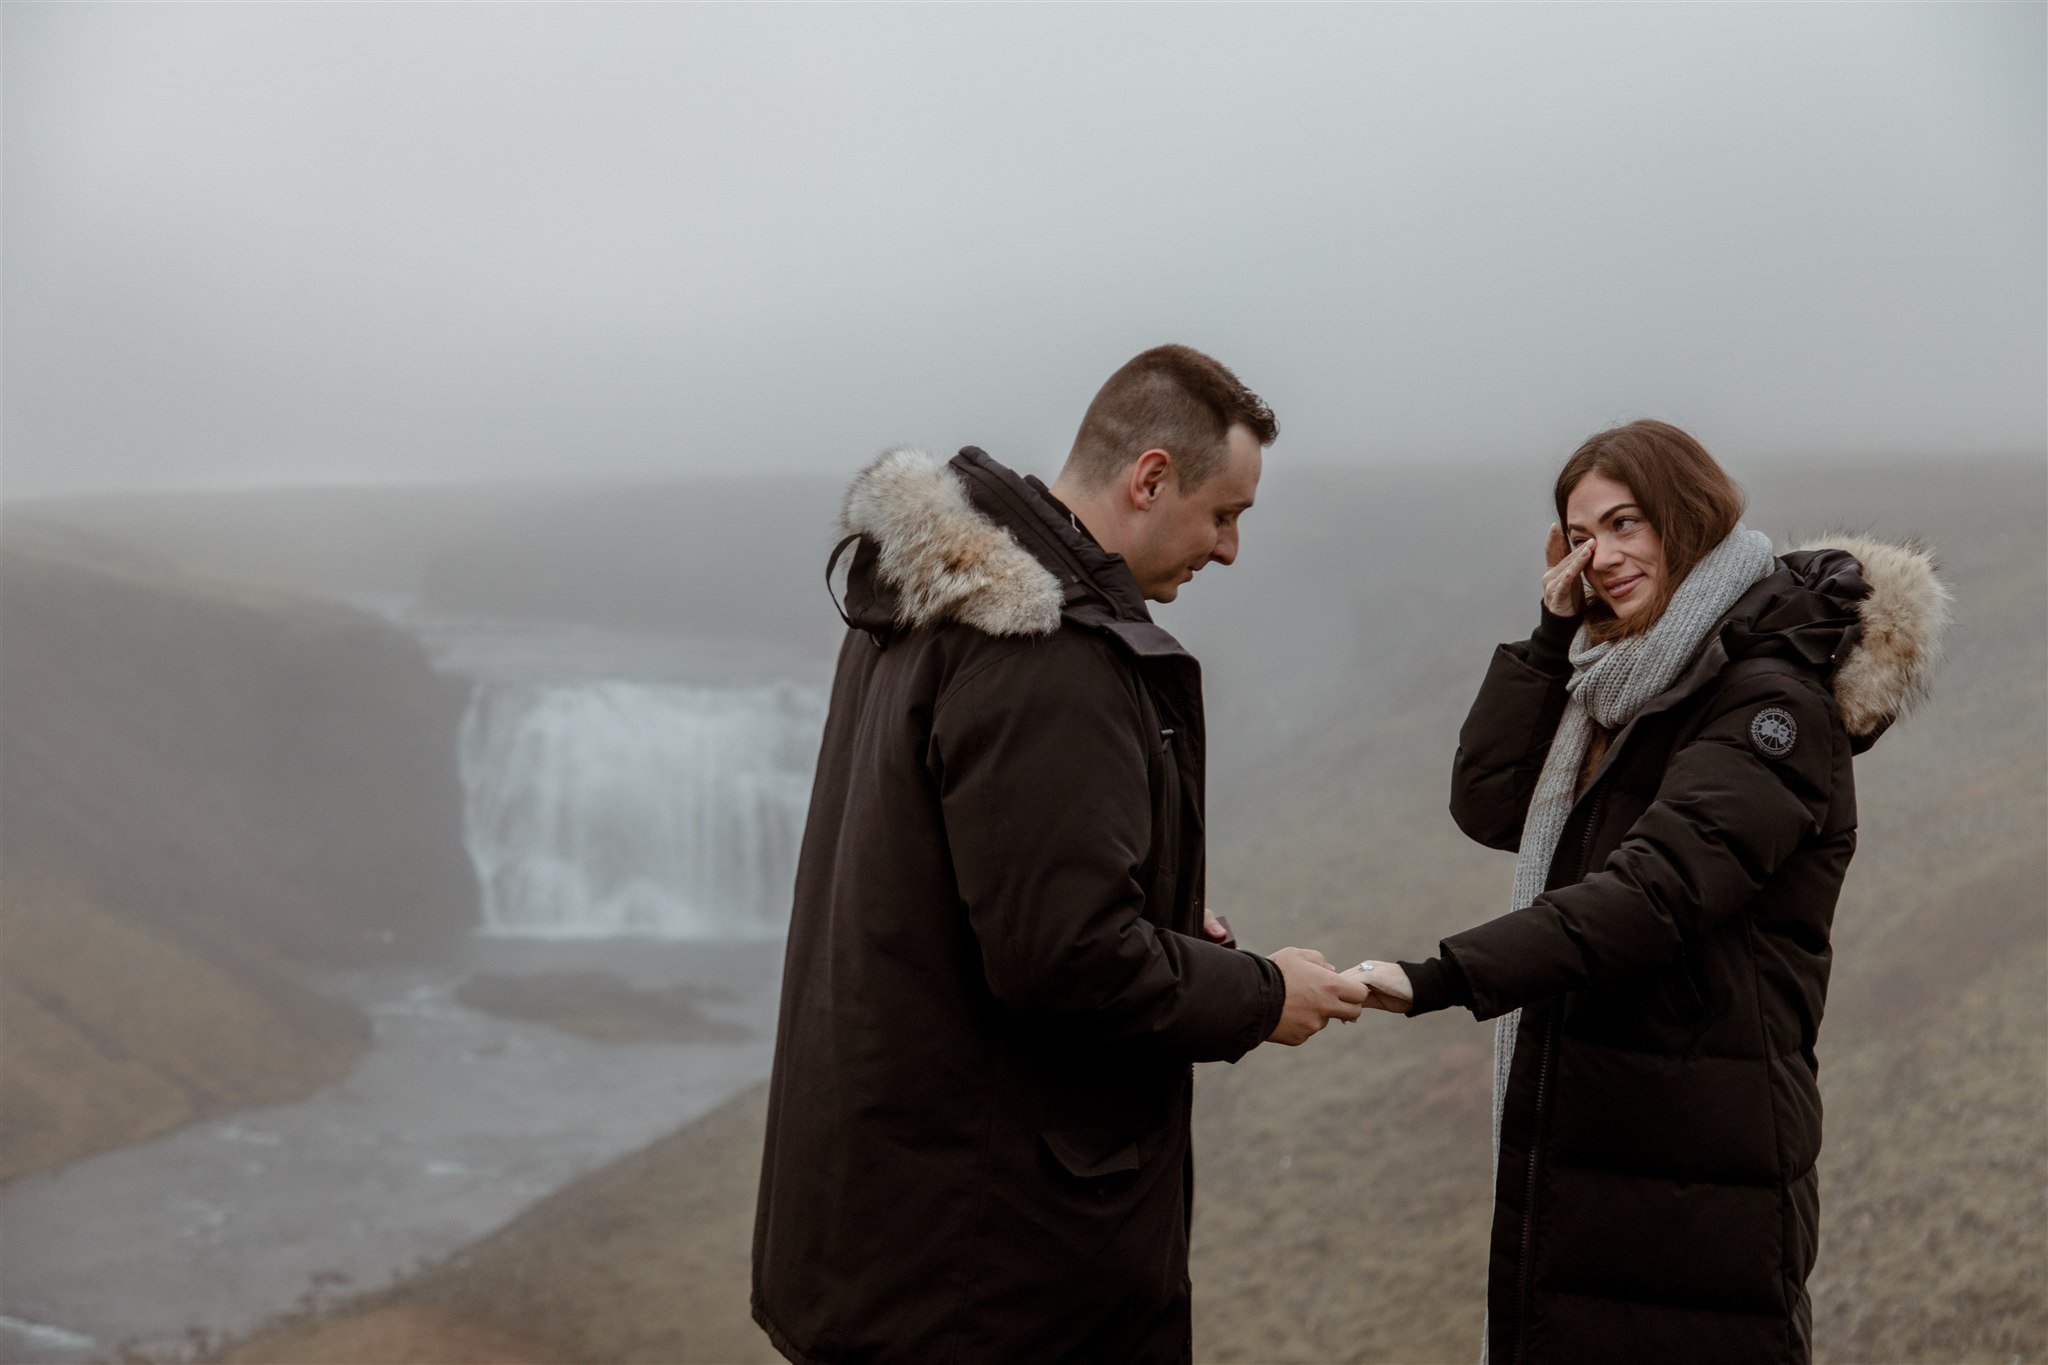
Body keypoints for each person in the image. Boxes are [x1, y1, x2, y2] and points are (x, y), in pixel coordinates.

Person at [752, 345, 1370, 1365]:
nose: (1227, 552)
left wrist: (1161, 922)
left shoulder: (924, 602)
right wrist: (1261, 994)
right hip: (994, 1285)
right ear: (1149, 477)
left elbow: (976, 889)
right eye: (1225, 514)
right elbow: (1063, 958)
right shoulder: (1042, 657)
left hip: (889, 1243)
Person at [1347, 420, 1949, 1364]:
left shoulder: (1767, 700)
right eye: (1582, 536)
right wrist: (1551, 633)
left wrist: (1442, 977)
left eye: (1626, 523)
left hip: (1703, 1161)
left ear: (1686, 513)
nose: (1605, 556)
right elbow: (1491, 800)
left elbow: (1656, 890)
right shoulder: (1624, 684)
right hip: (1607, 1128)